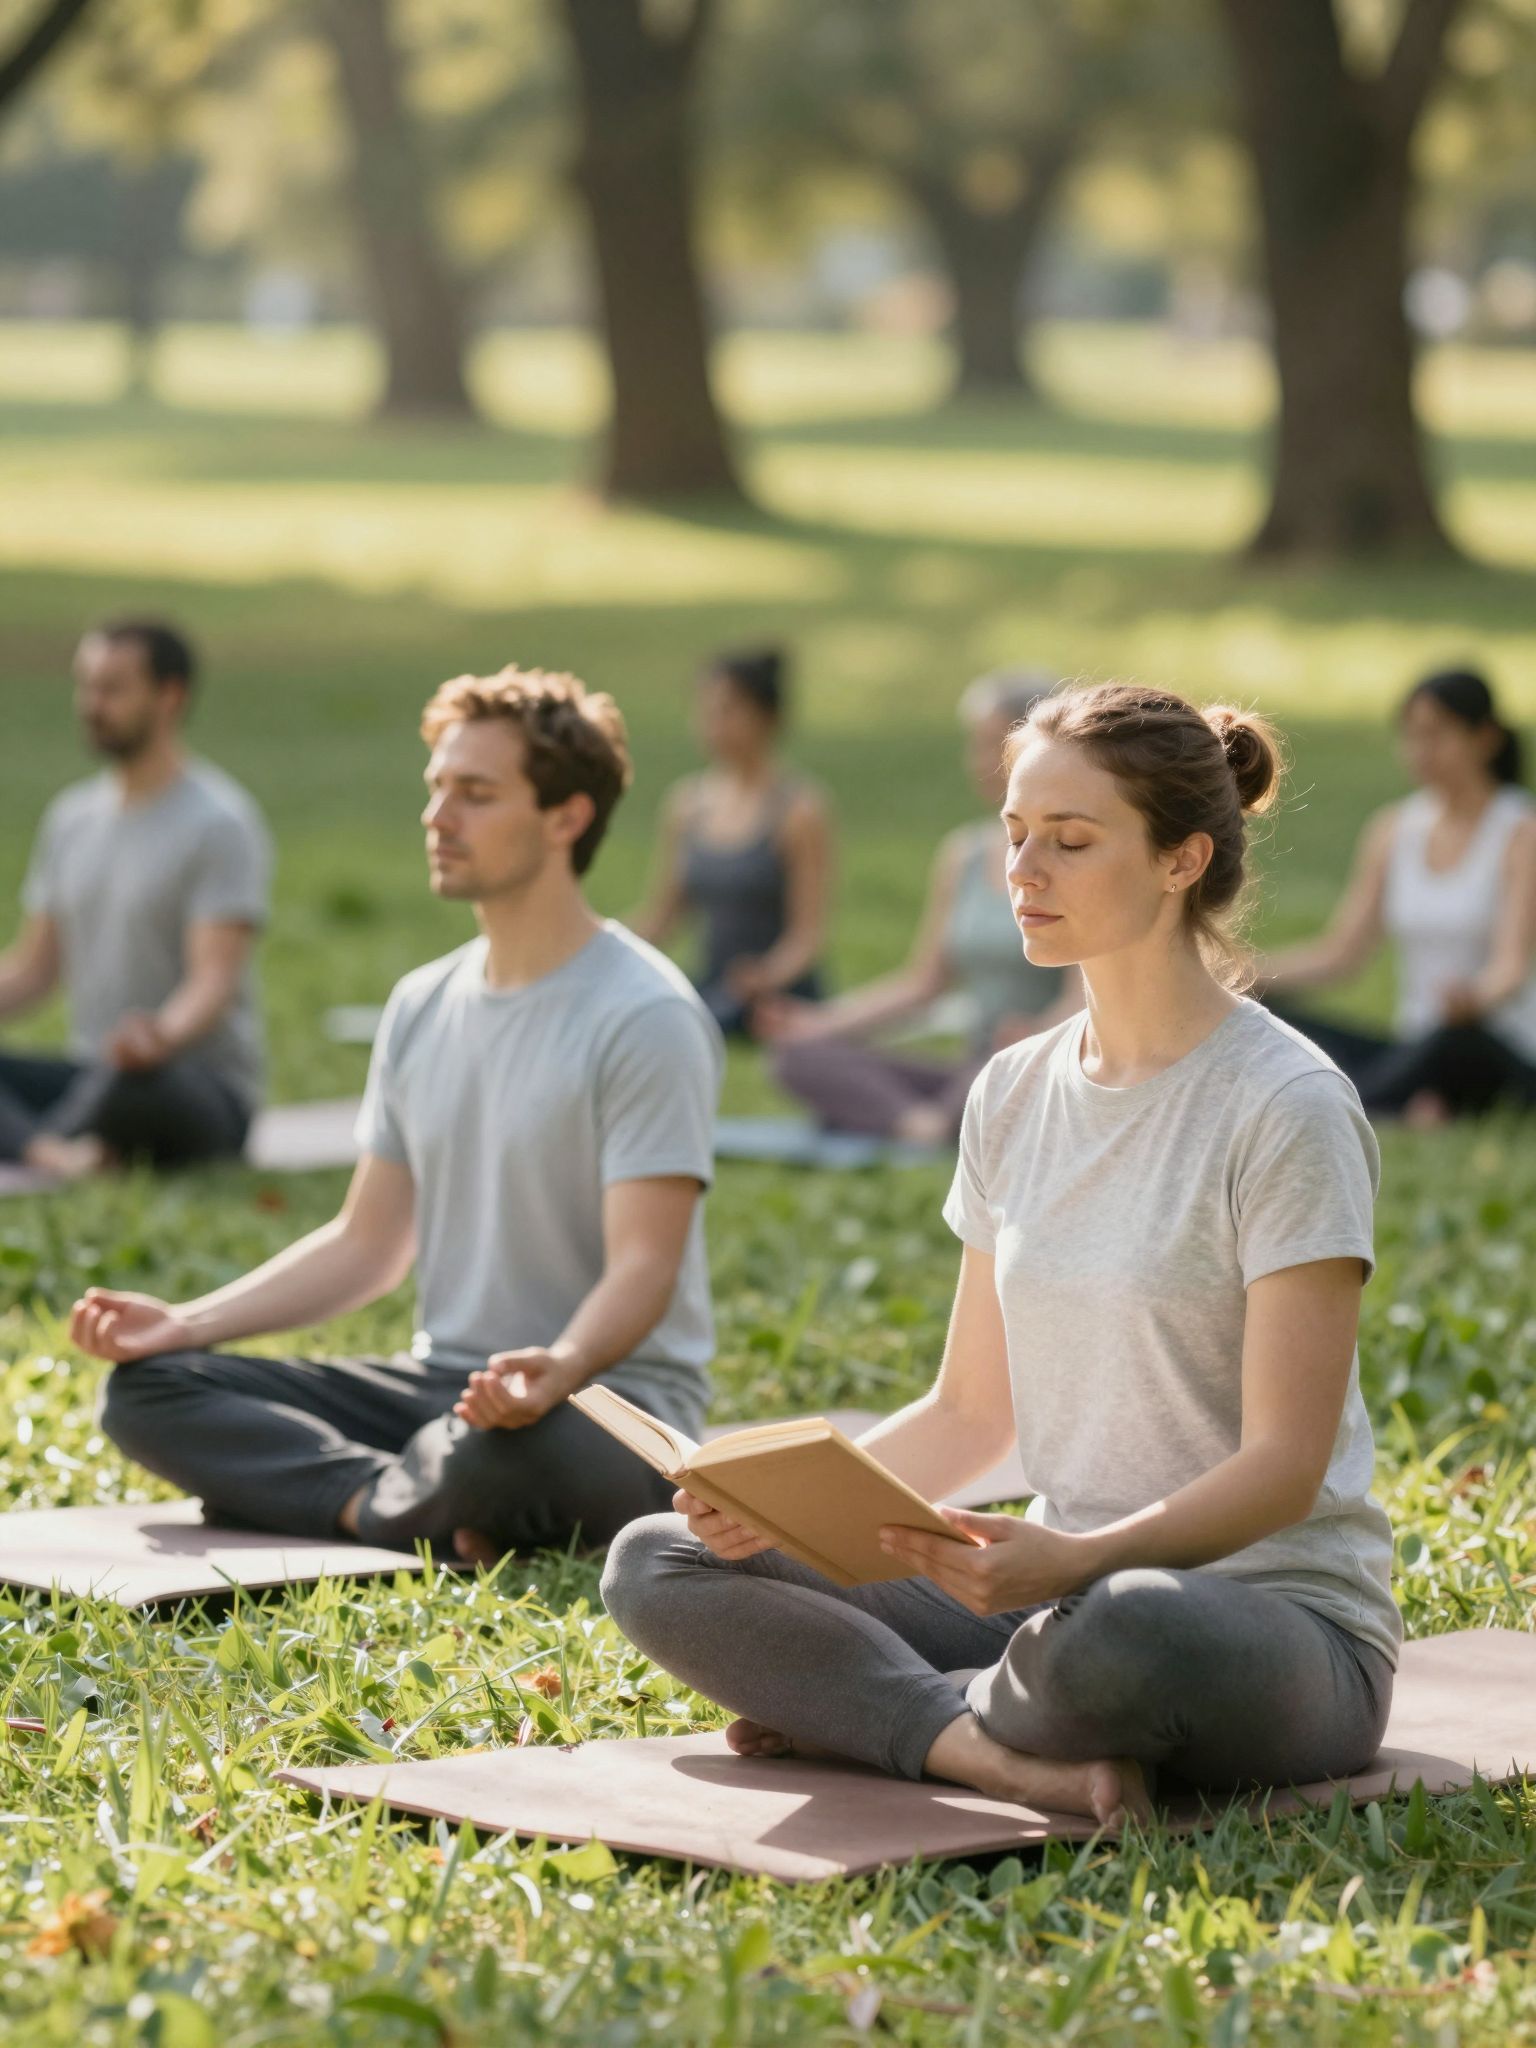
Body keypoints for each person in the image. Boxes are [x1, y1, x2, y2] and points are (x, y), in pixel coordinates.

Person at [603, 681, 1399, 1828]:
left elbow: (1285, 1463)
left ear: (1181, 860)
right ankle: (980, 1743)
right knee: (658, 1559)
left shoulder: (1287, 1105)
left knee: (1122, 1630)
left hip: (1257, 1624)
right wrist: (784, 1516)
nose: (1022, 869)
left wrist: (1070, 1561)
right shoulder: (1015, 1091)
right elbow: (972, 1412)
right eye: (1015, 832)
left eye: (1071, 842)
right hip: (1041, 1599)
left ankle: (875, 1709)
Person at [71, 667, 724, 1563]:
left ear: (566, 817)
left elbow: (646, 1265)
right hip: (446, 1392)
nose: (438, 816)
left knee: (513, 1451)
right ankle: (401, 1502)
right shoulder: (421, 1003)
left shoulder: (646, 1012)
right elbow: (366, 1243)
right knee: (149, 1391)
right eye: (437, 788)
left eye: (476, 794)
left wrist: (561, 1368)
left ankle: (407, 1492)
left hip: (602, 1405)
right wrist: (184, 1323)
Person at [757, 672, 1077, 1146]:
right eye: (977, 744)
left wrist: (1038, 1035)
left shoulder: (1075, 854)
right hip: (970, 1067)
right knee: (797, 1057)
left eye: (994, 744)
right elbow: (923, 982)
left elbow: (1084, 999)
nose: (979, 760)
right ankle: (923, 1125)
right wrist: (819, 1023)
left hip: (1035, 1063)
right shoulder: (964, 855)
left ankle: (930, 1123)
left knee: (999, 1077)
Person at [0, 620, 271, 1177]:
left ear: (170, 696)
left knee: (134, 1086)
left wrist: (157, 1036)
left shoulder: (218, 823)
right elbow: (33, 971)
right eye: (86, 686)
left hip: (187, 1084)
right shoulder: (70, 820)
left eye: (112, 688)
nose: (91, 704)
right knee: (102, 1081)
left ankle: (43, 1142)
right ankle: (59, 1151)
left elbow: (212, 984)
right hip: (95, 1074)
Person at [1259, 667, 1535, 1120]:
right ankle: (1407, 1101)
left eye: (1436, 736)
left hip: (1489, 1047)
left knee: (1452, 1043)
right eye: (1411, 737)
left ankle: (1361, 1103)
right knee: (1264, 1018)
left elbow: (1511, 969)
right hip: (1412, 1051)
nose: (1420, 752)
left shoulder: (1520, 831)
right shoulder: (1393, 830)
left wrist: (1473, 999)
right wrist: (1242, 978)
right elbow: (1339, 955)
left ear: (1485, 738)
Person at [629, 647, 833, 1036]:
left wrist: (765, 975)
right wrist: (597, 944)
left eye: (727, 711)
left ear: (767, 718)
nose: (712, 725)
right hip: (711, 986)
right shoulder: (686, 806)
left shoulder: (799, 811)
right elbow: (663, 916)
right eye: (705, 711)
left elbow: (807, 937)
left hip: (775, 995)